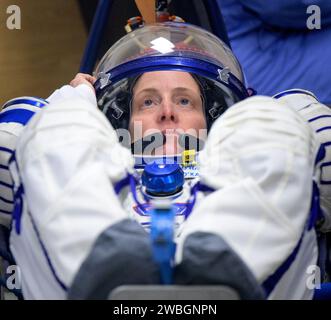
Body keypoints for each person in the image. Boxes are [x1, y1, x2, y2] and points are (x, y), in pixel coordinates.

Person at [1, 22, 331, 299]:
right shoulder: (88, 167)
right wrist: (75, 102)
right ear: (123, 124)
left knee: (277, 118)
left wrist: (252, 108)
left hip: (238, 282)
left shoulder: (249, 164)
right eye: (148, 101)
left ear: (215, 121)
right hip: (98, 283)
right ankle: (117, 271)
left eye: (184, 100)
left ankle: (214, 269)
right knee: (53, 127)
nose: (167, 111)